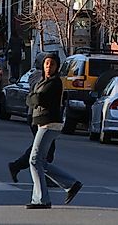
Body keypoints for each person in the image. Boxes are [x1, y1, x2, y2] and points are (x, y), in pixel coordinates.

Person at [24, 52, 82, 209]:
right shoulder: (43, 81)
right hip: (43, 124)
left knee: (34, 160)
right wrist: (32, 98)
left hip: (49, 124)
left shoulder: (55, 83)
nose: (49, 67)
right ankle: (71, 184)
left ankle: (42, 199)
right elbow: (30, 99)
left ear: (57, 67)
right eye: (47, 63)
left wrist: (33, 97)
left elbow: (37, 99)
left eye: (53, 64)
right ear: (43, 65)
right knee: (41, 162)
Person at [8, 66, 56, 183]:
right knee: (45, 148)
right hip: (39, 116)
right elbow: (39, 96)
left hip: (42, 116)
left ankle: (17, 166)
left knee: (42, 147)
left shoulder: (44, 78)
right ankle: (43, 176)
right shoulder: (40, 77)